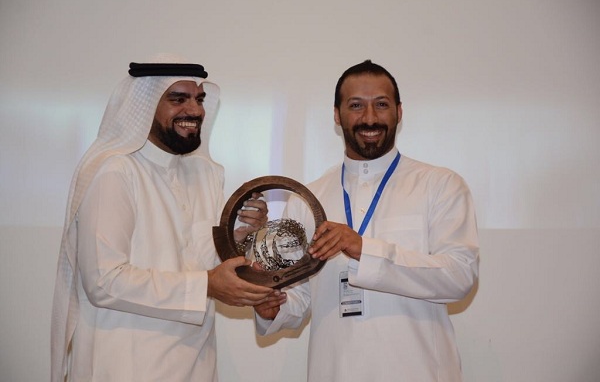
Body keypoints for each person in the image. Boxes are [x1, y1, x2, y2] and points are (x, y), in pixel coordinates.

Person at [51, 54, 273, 382]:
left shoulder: (207, 174)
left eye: (199, 99)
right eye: (178, 99)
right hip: (126, 366)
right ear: (145, 104)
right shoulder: (115, 171)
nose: (194, 110)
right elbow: (103, 281)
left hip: (195, 366)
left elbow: (199, 260)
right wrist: (206, 285)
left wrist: (239, 234)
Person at [254, 60, 479, 381]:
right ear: (337, 115)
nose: (370, 118)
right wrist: (273, 308)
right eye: (356, 105)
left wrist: (363, 249)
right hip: (334, 371)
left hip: (420, 371)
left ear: (399, 111)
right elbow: (299, 297)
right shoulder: (306, 201)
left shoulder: (440, 185)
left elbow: (460, 276)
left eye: (381, 105)